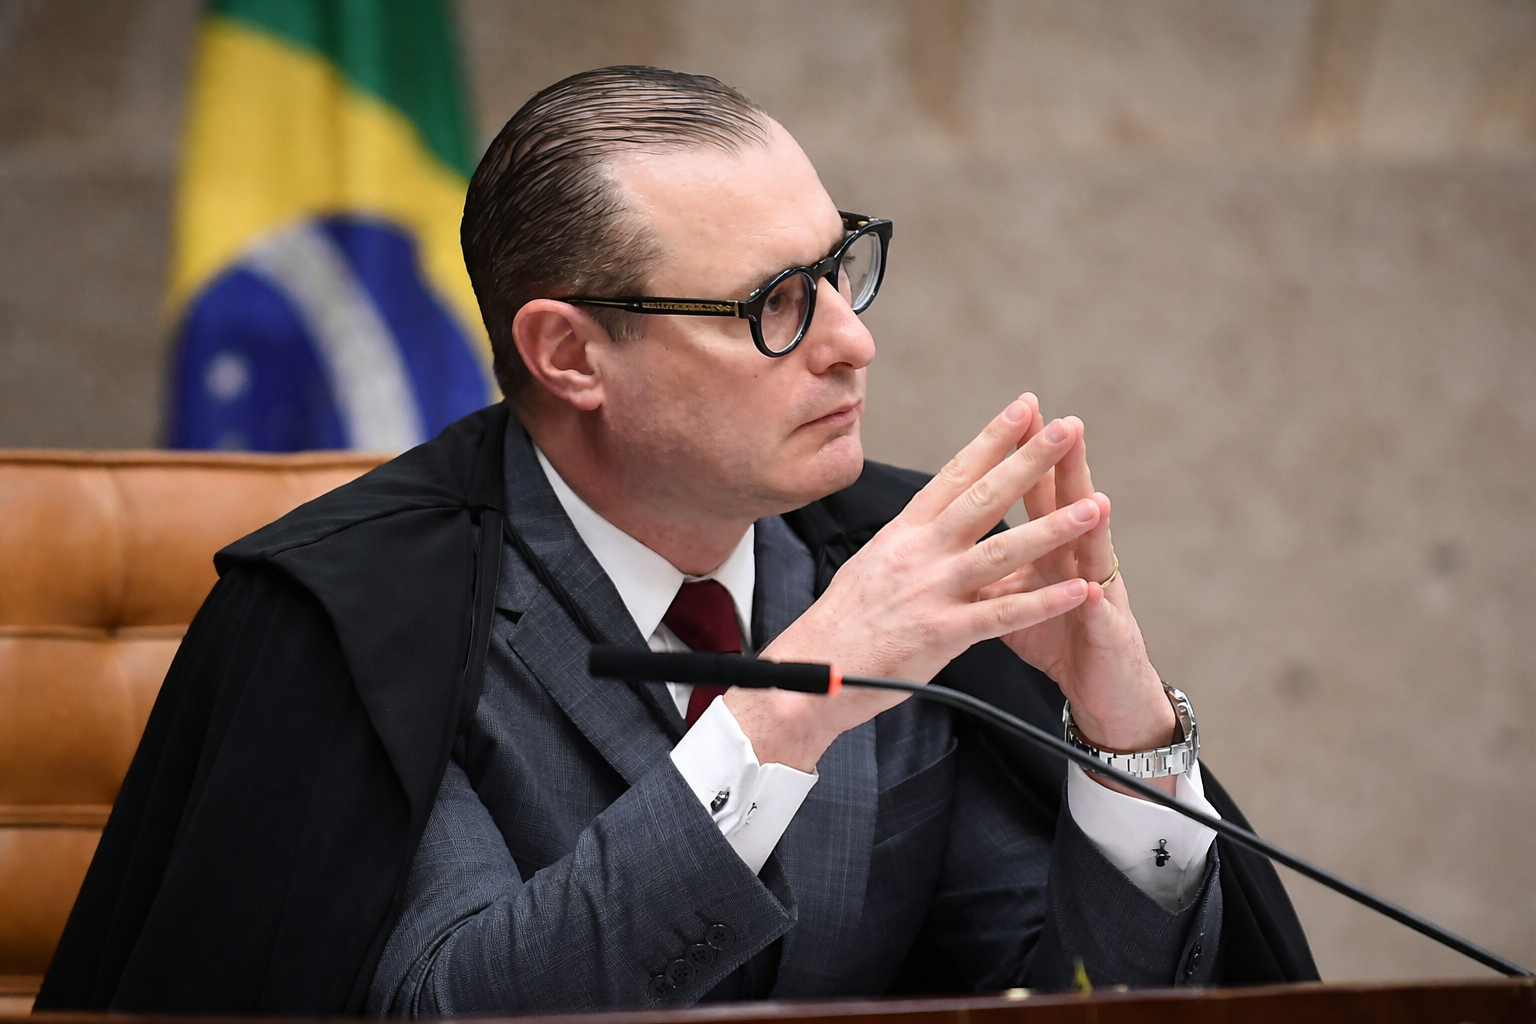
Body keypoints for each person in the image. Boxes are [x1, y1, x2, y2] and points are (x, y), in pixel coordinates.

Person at [38, 67, 1315, 1016]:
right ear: (571, 354)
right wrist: (792, 705)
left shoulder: (880, 562)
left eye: (840, 268)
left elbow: (1061, 994)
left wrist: (1124, 745)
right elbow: (453, 1006)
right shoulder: (363, 618)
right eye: (775, 302)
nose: (851, 339)